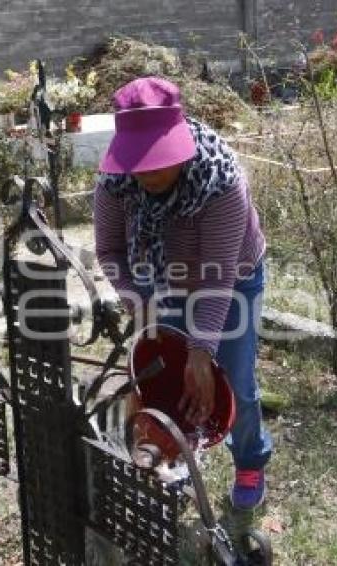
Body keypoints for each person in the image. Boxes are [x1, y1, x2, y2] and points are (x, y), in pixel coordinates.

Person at [93, 77, 272, 510]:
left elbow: (217, 279)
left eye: (159, 160)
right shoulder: (114, 183)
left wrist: (200, 351)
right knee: (165, 377)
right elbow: (110, 251)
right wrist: (140, 304)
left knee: (234, 383)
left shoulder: (221, 182)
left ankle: (249, 459)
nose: (149, 172)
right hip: (164, 280)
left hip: (232, 281)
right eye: (140, 161)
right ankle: (173, 452)